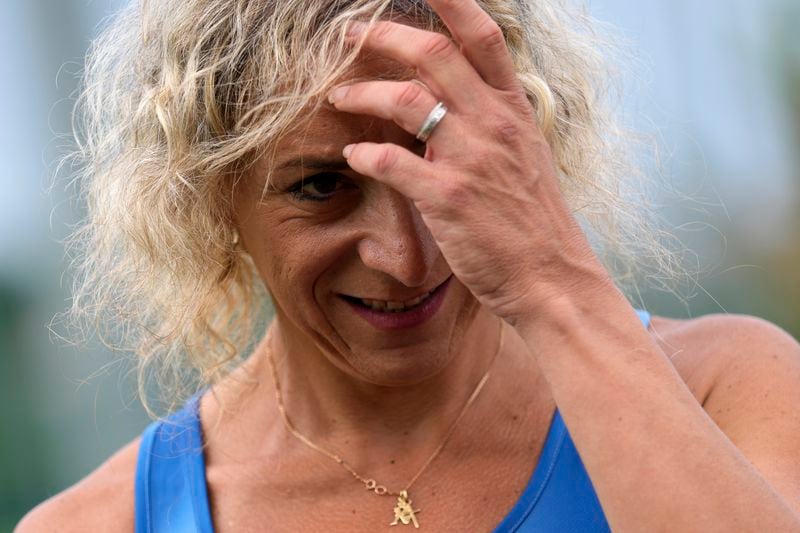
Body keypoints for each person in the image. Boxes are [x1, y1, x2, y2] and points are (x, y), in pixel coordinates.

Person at [17, 0, 800, 531]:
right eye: (321, 185)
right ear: (211, 197)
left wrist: (554, 282)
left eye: (442, 167)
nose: (406, 256)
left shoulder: (725, 392)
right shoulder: (103, 521)